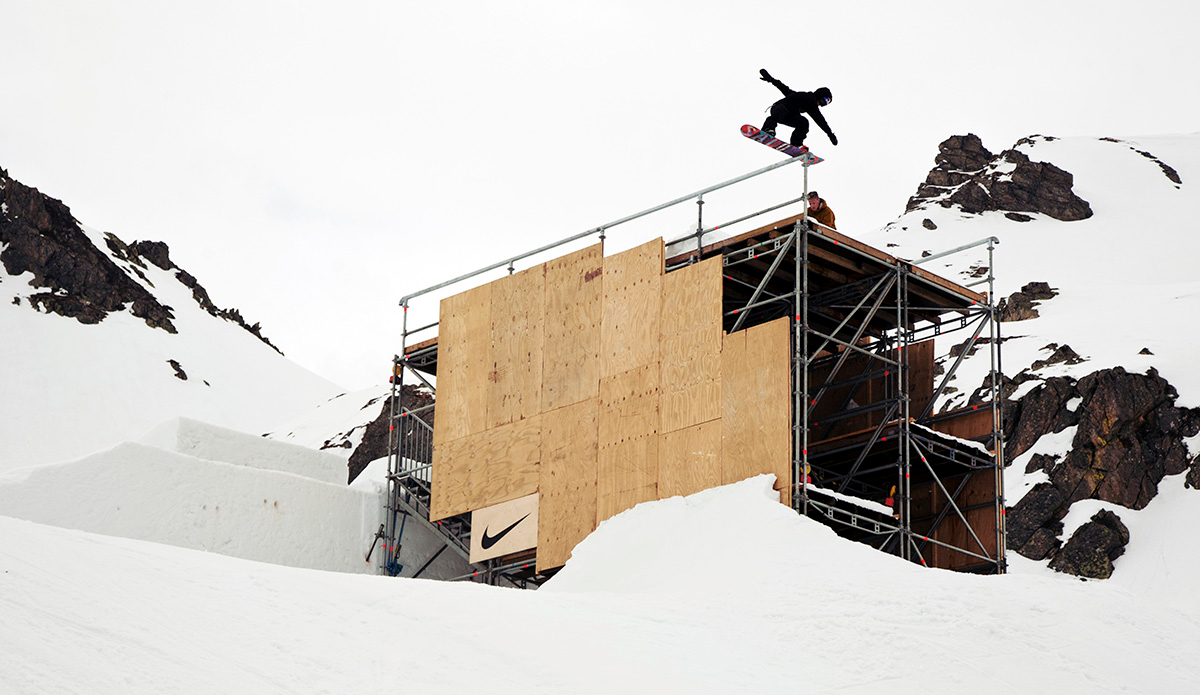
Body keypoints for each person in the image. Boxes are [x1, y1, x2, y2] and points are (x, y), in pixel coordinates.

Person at [759, 69, 838, 149]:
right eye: (823, 100)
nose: (821, 104)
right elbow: (819, 119)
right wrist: (830, 134)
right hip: (779, 109)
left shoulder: (801, 97)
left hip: (789, 116)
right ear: (819, 96)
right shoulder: (810, 99)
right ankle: (768, 128)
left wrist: (771, 79)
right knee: (782, 110)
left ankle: (796, 143)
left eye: (826, 103)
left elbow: (784, 88)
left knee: (803, 122)